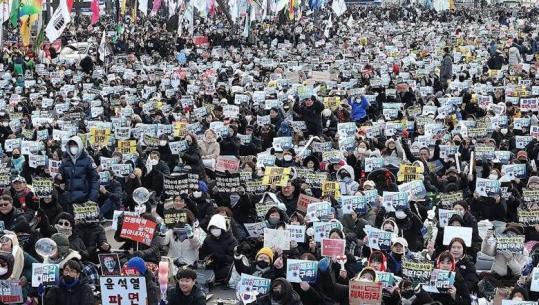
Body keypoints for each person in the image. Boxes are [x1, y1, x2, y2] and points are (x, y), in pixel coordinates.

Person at [58, 136, 100, 212]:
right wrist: (58, 178)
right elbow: (60, 178)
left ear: (79, 146)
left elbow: (95, 180)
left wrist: (92, 199)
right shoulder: (65, 161)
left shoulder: (88, 160)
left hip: (84, 201)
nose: (73, 147)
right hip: (69, 200)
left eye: (75, 145)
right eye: (71, 145)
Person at [199, 214, 237, 283]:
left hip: (224, 266)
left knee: (230, 270)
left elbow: (232, 258)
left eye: (217, 228)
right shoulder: (208, 239)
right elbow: (202, 253)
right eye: (212, 228)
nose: (214, 230)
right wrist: (207, 258)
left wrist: (219, 257)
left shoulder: (231, 239)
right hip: (209, 266)